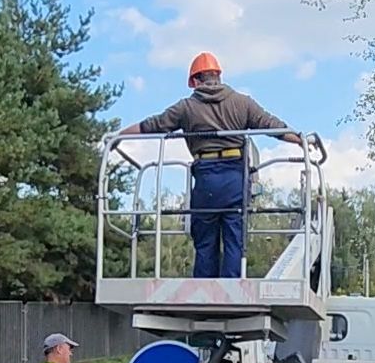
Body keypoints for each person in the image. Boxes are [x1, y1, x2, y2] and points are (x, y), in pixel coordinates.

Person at [119, 52, 306, 279]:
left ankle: (204, 289)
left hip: (206, 178)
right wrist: (299, 139)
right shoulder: (242, 102)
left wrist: (119, 135)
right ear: (218, 76)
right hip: (235, 177)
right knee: (234, 239)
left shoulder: (186, 107)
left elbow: (153, 125)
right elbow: (271, 125)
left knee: (205, 239)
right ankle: (232, 289)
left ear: (196, 81)